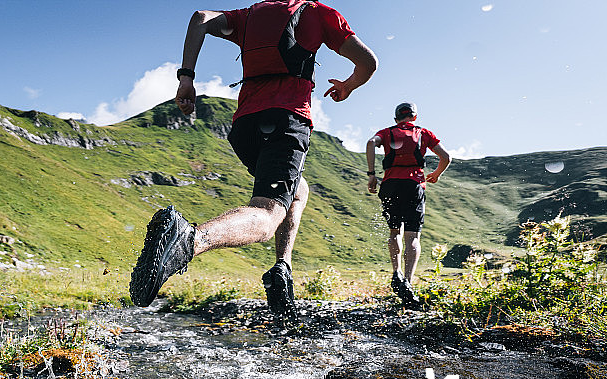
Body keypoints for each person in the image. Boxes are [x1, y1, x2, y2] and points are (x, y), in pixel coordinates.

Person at [129, 1, 378, 318]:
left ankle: (281, 270)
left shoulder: (249, 15)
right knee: (267, 213)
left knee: (297, 190)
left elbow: (200, 18)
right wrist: (348, 85)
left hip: (245, 126)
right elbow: (368, 62)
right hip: (286, 120)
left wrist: (186, 77)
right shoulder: (318, 13)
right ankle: (189, 241)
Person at [365, 102, 451, 308]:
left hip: (390, 185)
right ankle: (408, 282)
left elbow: (370, 143)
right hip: (414, 186)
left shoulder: (386, 132)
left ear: (396, 119)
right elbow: (446, 157)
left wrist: (371, 175)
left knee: (395, 232)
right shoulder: (424, 133)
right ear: (414, 117)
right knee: (412, 235)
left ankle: (396, 273)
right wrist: (435, 175)